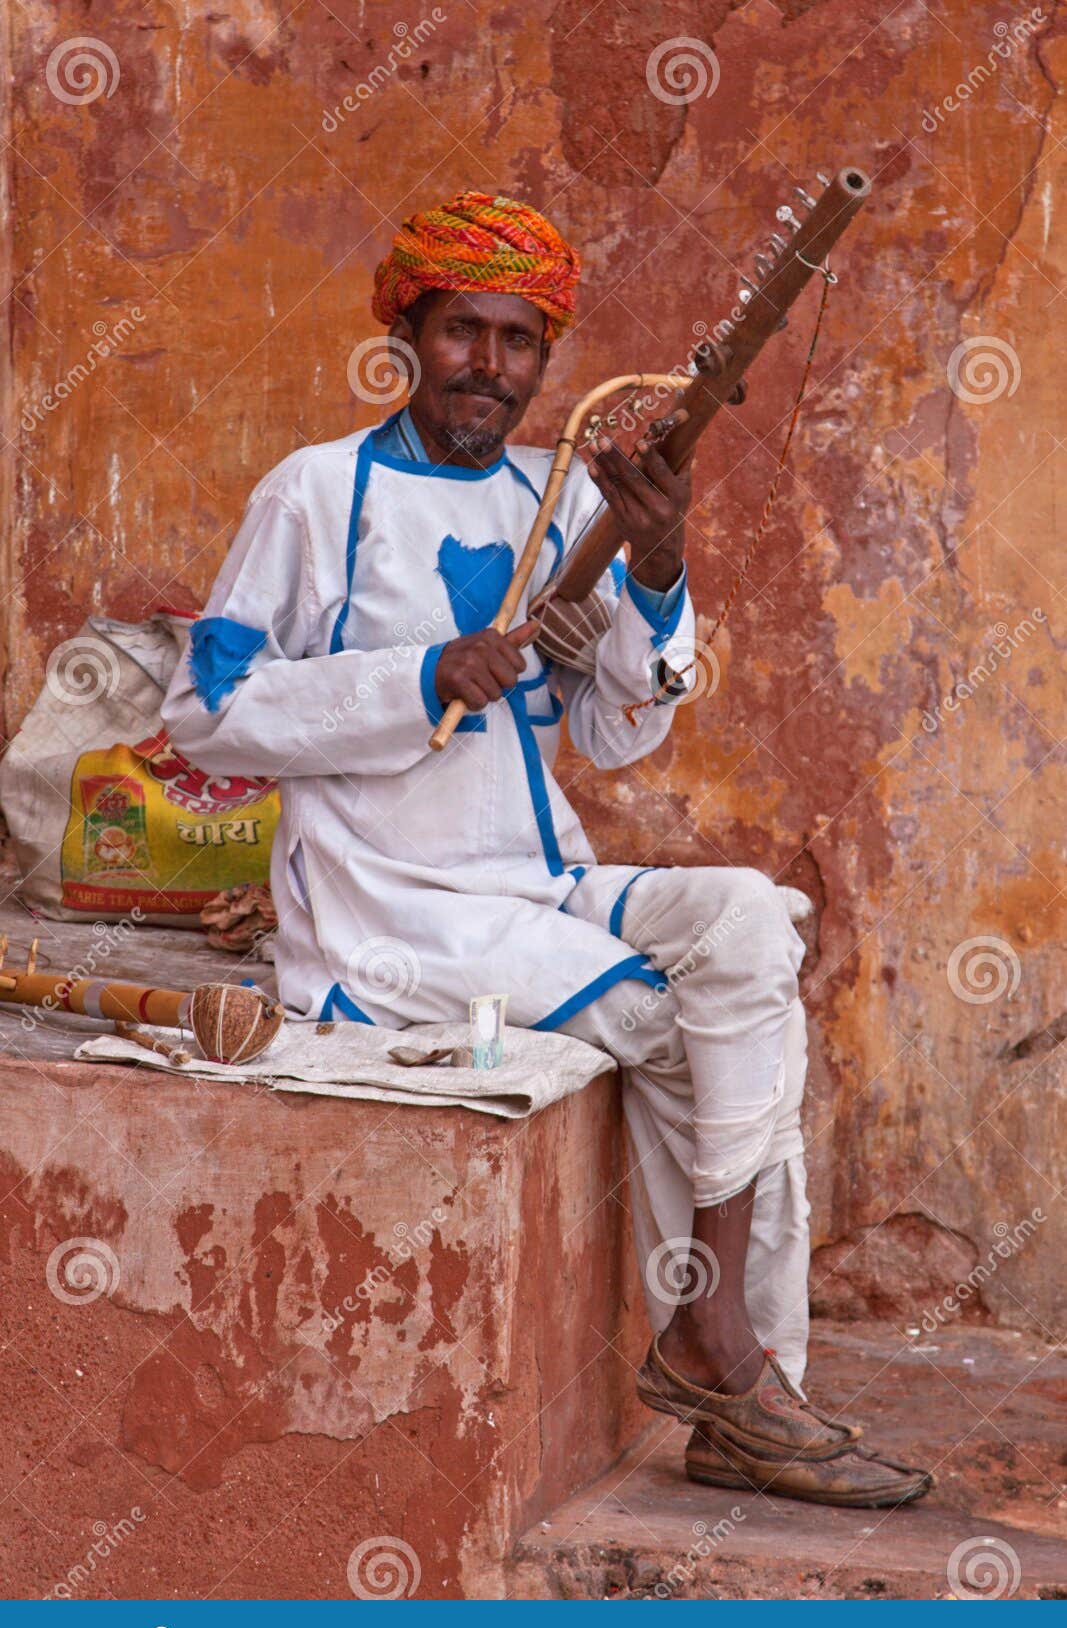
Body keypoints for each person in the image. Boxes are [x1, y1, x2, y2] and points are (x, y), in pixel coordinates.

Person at [161, 190, 932, 1508]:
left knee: (750, 924)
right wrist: (417, 675)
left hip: (543, 881)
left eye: (522, 342)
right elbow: (206, 711)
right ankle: (732, 1369)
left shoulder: (559, 492)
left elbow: (620, 732)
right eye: (467, 330)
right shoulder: (315, 493)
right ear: (408, 328)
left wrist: (658, 558)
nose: (493, 368)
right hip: (393, 913)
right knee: (665, 1019)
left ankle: (727, 1356)